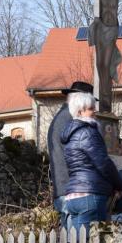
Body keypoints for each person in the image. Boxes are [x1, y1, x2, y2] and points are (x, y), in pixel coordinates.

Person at [61, 92, 122, 230]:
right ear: (80, 112)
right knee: (92, 241)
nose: (95, 111)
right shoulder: (88, 133)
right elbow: (103, 163)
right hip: (90, 195)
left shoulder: (71, 137)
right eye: (90, 108)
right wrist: (119, 184)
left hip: (73, 196)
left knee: (78, 240)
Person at [49, 81, 95, 230]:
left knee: (71, 238)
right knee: (76, 239)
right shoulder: (68, 120)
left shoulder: (64, 117)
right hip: (72, 190)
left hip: (67, 188)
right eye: (89, 104)